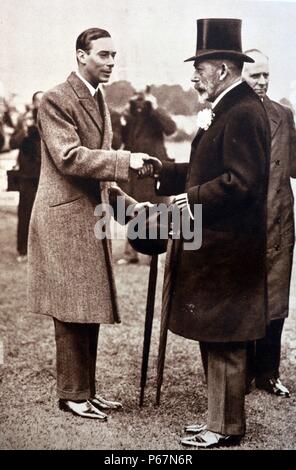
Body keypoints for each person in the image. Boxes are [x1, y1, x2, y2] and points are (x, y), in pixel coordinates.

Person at [142, 18, 271, 448]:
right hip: (218, 245)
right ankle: (216, 418)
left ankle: (227, 427)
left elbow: (243, 181)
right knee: (216, 334)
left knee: (228, 338)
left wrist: (191, 196)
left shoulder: (243, 111)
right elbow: (209, 169)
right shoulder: (228, 108)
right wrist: (164, 171)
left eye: (201, 66)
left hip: (231, 247)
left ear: (223, 69)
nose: (194, 75)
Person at [27, 27, 160, 420]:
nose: (111, 62)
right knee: (71, 310)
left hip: (89, 218)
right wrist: (126, 160)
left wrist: (132, 206)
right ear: (81, 55)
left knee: (87, 306)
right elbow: (70, 157)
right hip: (64, 221)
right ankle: (72, 394)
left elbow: (98, 175)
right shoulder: (55, 98)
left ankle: (87, 390)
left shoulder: (98, 100)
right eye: (103, 55)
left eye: (114, 55)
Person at [242, 49, 296, 397]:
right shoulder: (232, 115)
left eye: (265, 76)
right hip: (243, 225)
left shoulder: (283, 114)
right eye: (254, 76)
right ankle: (241, 373)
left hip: (280, 221)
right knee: (244, 299)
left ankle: (268, 372)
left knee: (276, 302)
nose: (261, 82)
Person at [118, 88, 176, 264]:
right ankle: (131, 253)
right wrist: (124, 117)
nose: (140, 102)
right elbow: (118, 140)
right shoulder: (130, 115)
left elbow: (171, 128)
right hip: (135, 169)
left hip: (156, 167)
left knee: (159, 208)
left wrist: (155, 108)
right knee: (133, 207)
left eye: (143, 98)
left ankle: (156, 253)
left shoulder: (155, 113)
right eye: (137, 98)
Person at [10, 91, 44, 262]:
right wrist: (24, 130)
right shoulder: (24, 120)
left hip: (45, 175)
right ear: (33, 103)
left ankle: (41, 249)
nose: (41, 104)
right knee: (25, 212)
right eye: (38, 101)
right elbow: (12, 143)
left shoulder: (50, 119)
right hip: (27, 175)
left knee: (44, 214)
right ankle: (22, 249)